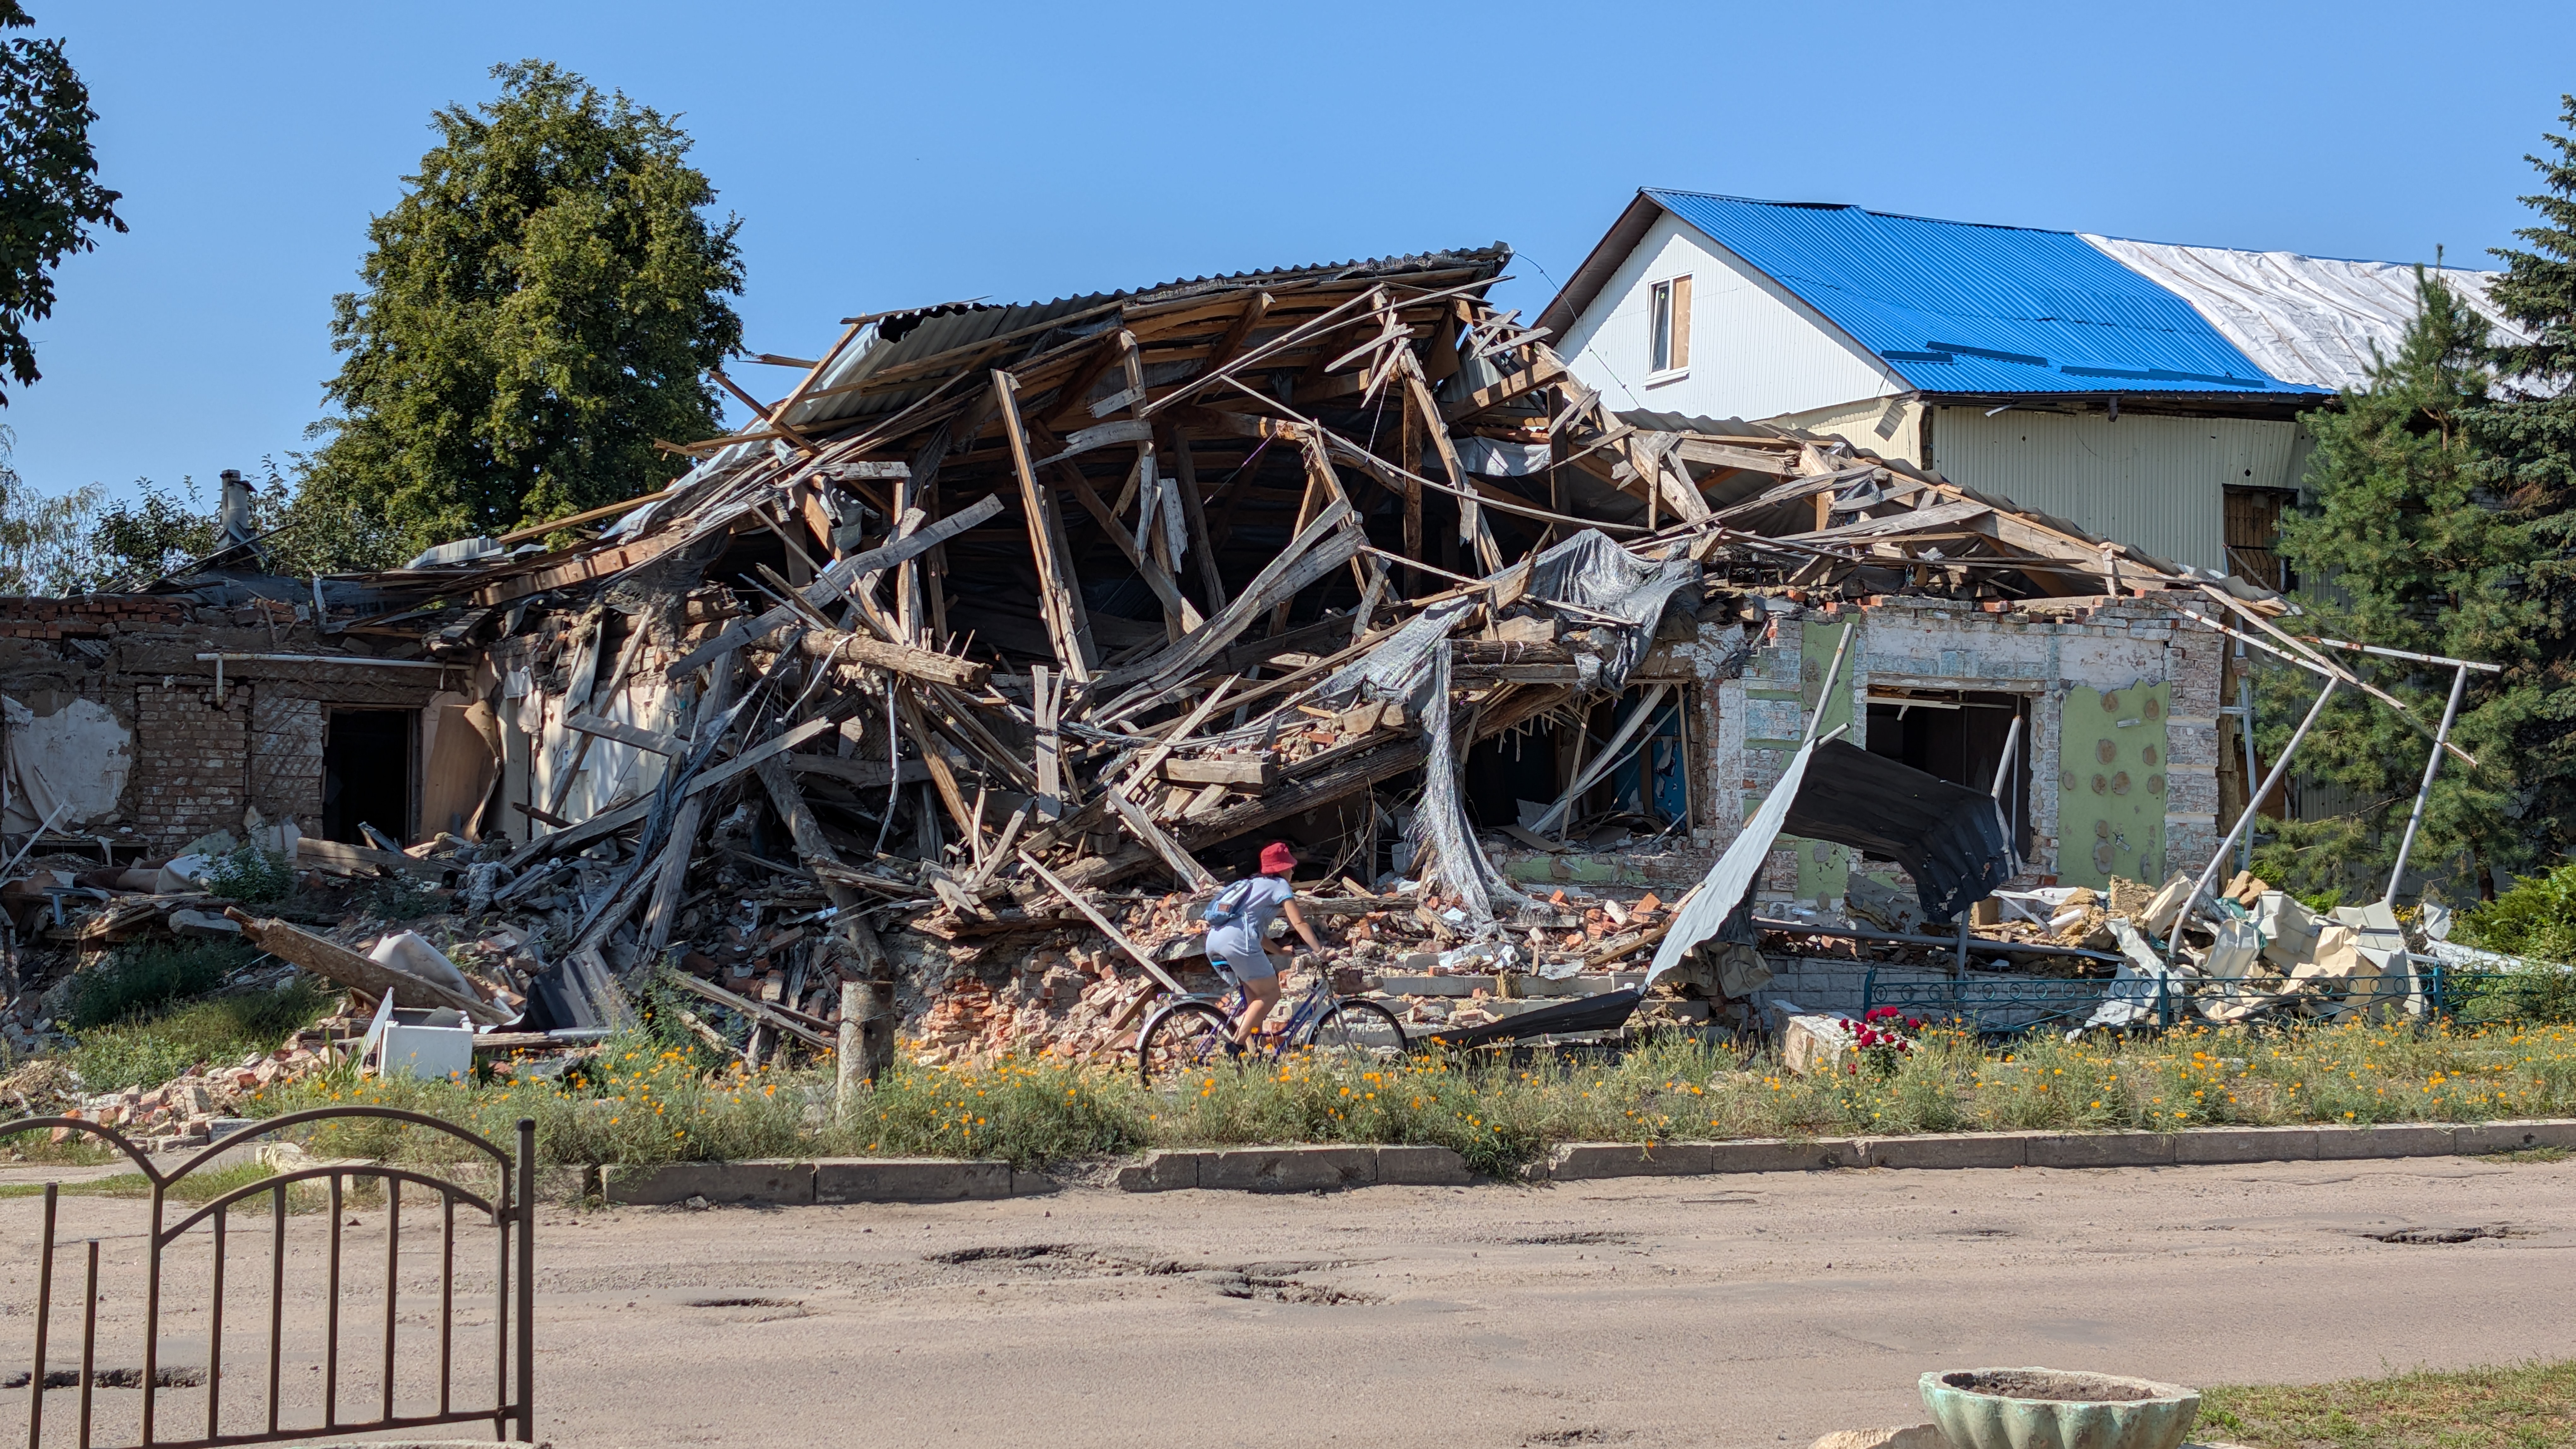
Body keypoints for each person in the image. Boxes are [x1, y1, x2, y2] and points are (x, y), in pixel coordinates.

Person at [1201, 840, 1323, 1050]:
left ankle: (1251, 1058)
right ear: (1284, 868)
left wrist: (1279, 951)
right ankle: (1235, 1046)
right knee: (1271, 994)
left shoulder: (1253, 884)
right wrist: (1321, 951)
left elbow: (1257, 934)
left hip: (1215, 940)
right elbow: (1299, 923)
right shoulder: (1280, 886)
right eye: (1292, 867)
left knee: (1256, 1002)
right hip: (1239, 943)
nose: (1293, 872)